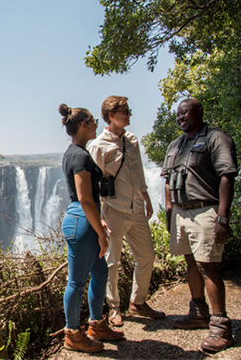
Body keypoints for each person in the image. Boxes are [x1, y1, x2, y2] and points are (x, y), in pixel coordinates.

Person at [161, 98, 237, 352]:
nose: (181, 118)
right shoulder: (175, 145)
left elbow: (227, 176)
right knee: (191, 263)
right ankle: (198, 313)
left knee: (208, 266)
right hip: (181, 213)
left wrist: (222, 218)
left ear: (200, 112)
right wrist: (170, 213)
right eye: (178, 115)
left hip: (206, 210)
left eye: (185, 113)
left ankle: (221, 328)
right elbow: (168, 183)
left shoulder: (216, 139)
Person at [87, 96, 165, 327]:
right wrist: (99, 217)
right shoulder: (98, 145)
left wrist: (146, 198)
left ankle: (138, 302)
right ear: (111, 116)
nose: (129, 115)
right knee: (112, 262)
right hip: (113, 211)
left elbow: (138, 172)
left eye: (129, 111)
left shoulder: (132, 140)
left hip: (137, 209)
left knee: (147, 256)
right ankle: (113, 308)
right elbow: (92, 183)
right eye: (125, 112)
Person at [58, 103, 124, 353]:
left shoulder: (73, 152)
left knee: (99, 273)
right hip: (82, 221)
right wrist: (99, 231)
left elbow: (86, 200)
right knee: (76, 281)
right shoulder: (81, 156)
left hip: (84, 217)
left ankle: (96, 324)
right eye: (94, 121)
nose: (98, 124)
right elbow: (85, 198)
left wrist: (98, 220)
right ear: (84, 125)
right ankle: (73, 334)